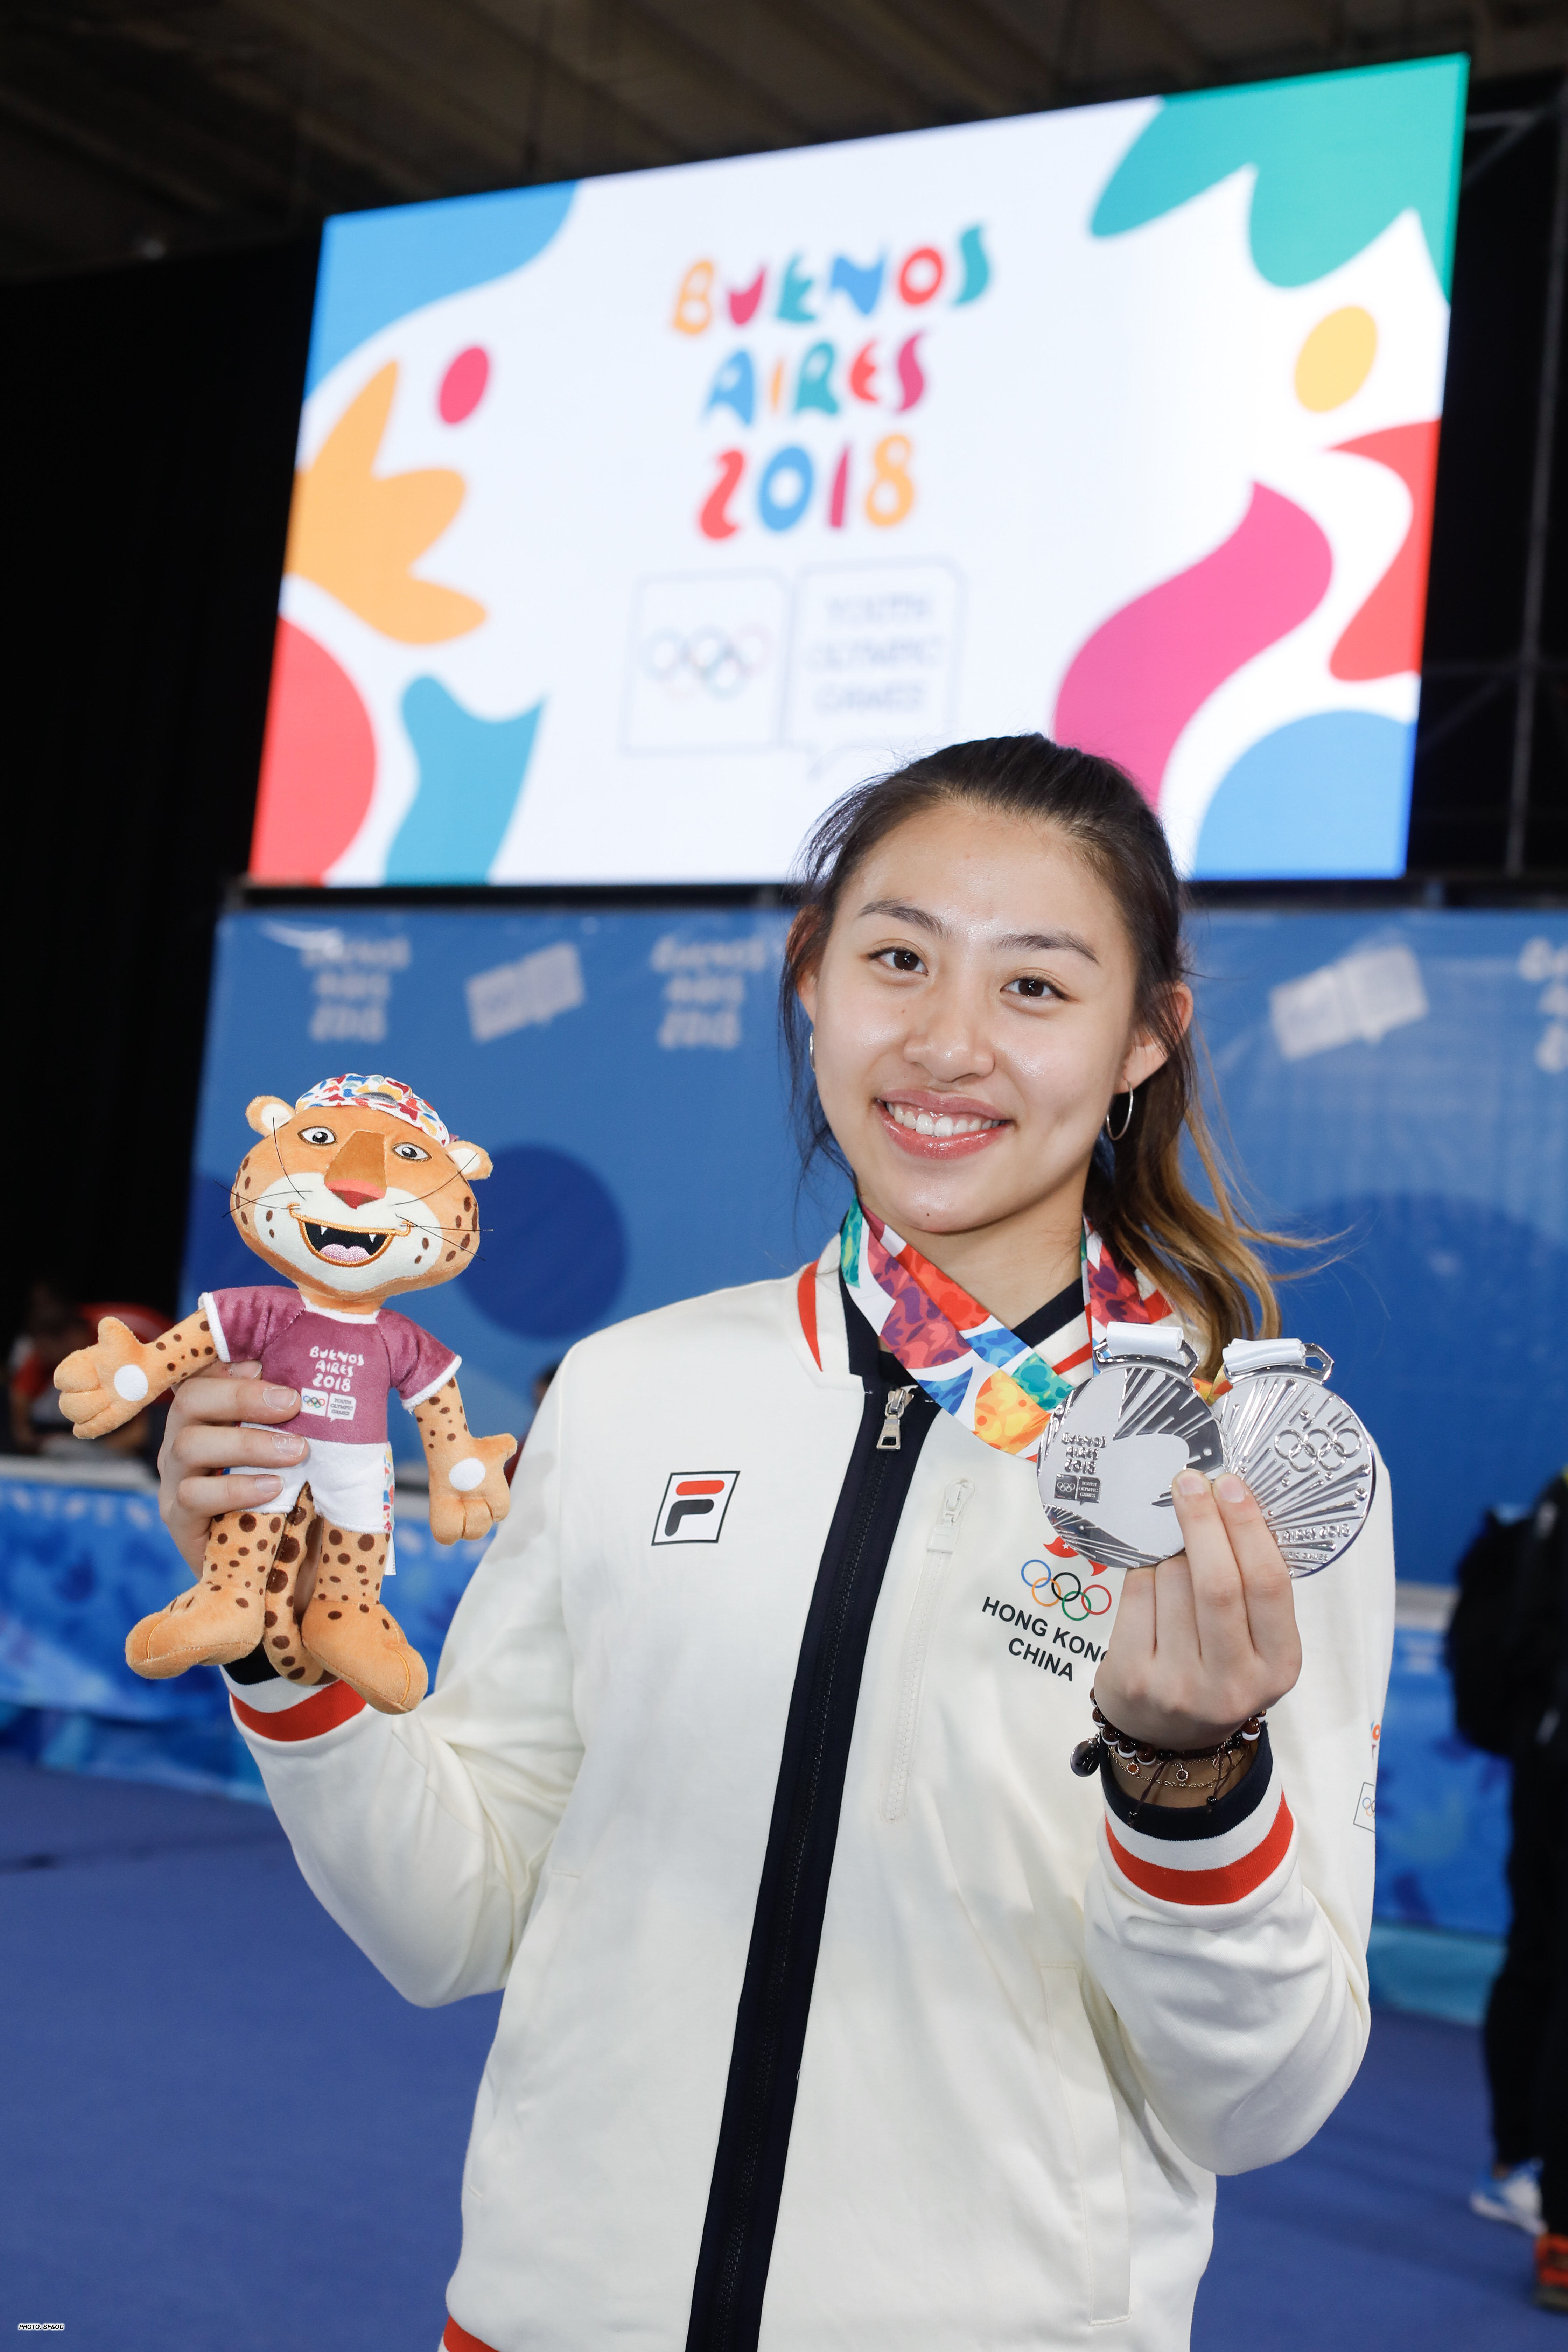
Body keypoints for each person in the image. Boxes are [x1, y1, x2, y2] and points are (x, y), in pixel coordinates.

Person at [151, 738, 1393, 2352]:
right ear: (813, 983)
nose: (946, 1043)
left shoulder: (1251, 1474)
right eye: (895, 960)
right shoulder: (631, 1391)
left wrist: (1189, 1780)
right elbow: (453, 1917)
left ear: (1144, 1039)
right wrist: (288, 1646)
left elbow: (1263, 2098)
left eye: (1035, 988)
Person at [1452, 1473, 1568, 2312]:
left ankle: (1515, 2165)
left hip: (1545, 1771)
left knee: (1536, 1959)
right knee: (1542, 1967)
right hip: (1552, 1771)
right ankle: (1544, 2210)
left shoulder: (1547, 1507)